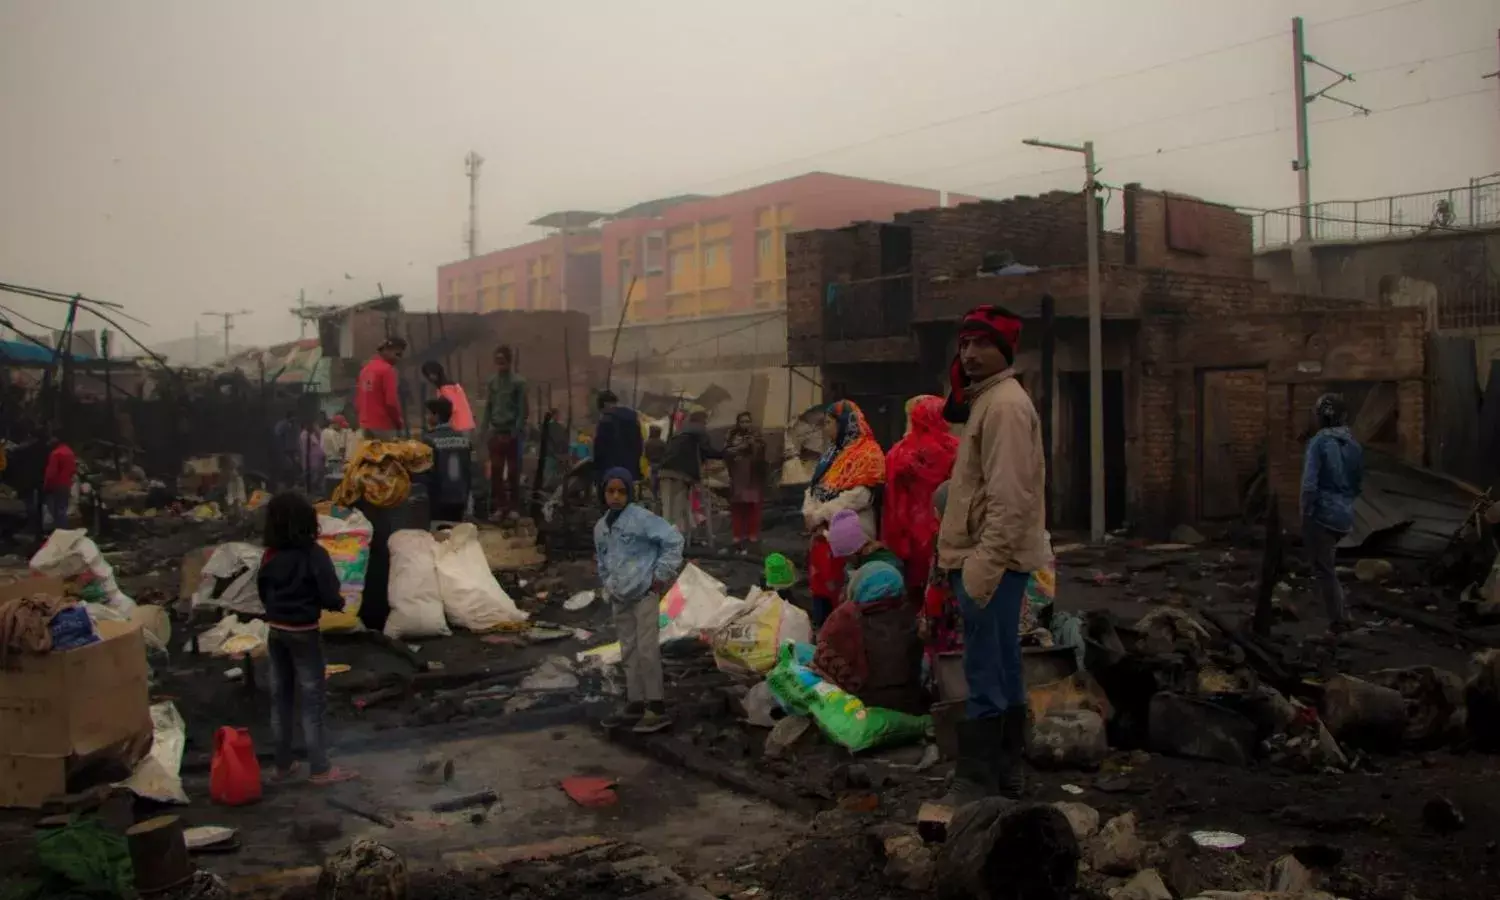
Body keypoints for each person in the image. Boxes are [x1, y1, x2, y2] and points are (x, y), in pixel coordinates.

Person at [937, 304, 1047, 802]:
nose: (970, 353)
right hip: (991, 557)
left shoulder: (1003, 406)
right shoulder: (990, 400)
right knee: (1003, 664)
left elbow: (1010, 498)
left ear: (1005, 350)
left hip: (990, 560)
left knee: (985, 669)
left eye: (982, 343)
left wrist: (982, 566)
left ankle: (977, 777)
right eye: (965, 343)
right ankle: (1006, 771)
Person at [256, 491, 357, 785]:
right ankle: (320, 769)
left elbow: (263, 591)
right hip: (304, 633)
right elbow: (329, 593)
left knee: (281, 699)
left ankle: (283, 765)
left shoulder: (270, 555)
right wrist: (337, 603)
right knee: (313, 702)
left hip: (276, 631)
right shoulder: (314, 555)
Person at [594, 466, 684, 733]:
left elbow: (673, 540)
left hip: (644, 593)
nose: (616, 496)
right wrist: (609, 584)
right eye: (611, 491)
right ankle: (635, 701)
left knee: (647, 650)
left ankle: (656, 706)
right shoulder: (601, 527)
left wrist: (660, 576)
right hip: (620, 596)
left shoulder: (642, 519)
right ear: (603, 493)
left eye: (621, 491)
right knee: (628, 650)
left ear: (629, 493)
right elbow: (602, 560)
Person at [802, 400, 886, 630]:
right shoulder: (831, 455)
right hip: (822, 535)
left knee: (846, 592)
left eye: (829, 423)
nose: (825, 428)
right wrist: (810, 513)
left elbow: (861, 496)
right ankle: (824, 636)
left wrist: (821, 514)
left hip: (849, 535)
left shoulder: (868, 453)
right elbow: (814, 488)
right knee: (821, 591)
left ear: (844, 424)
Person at [811, 560, 923, 714]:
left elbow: (823, 664)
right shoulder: (910, 617)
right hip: (909, 702)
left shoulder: (845, 618)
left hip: (860, 705)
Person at [1301, 392, 1364, 636]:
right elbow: (1357, 484)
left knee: (1324, 569)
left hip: (1322, 514)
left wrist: (1305, 512)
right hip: (1344, 515)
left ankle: (1338, 621)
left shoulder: (1318, 443)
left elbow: (1309, 485)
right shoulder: (1354, 444)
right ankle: (1343, 614)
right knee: (1329, 564)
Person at [884, 395, 959, 595]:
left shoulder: (898, 453)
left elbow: (892, 499)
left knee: (912, 592)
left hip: (908, 533)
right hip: (945, 530)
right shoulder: (956, 450)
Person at [658, 410, 721, 542]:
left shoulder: (680, 431)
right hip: (681, 473)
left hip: (664, 470)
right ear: (703, 420)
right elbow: (707, 450)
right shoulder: (699, 430)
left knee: (667, 508)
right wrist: (725, 453)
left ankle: (667, 538)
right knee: (678, 509)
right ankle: (675, 539)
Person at [481, 346, 528, 519]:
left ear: (509, 361)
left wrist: (516, 431)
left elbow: (523, 410)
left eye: (503, 361)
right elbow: (488, 407)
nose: (500, 364)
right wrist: (484, 429)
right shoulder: (492, 382)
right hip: (496, 431)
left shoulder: (518, 383)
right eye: (498, 361)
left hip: (512, 433)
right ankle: (500, 506)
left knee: (514, 471)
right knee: (496, 471)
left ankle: (514, 507)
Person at [422, 396, 473, 523]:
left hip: (438, 499)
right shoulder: (464, 439)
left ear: (437, 416)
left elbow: (427, 473)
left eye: (429, 414)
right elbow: (469, 471)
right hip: (461, 498)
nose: (427, 417)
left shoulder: (429, 440)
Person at [724, 412, 768, 555]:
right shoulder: (731, 435)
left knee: (752, 507)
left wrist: (752, 444)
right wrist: (739, 447)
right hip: (737, 476)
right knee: (738, 507)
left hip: (752, 476)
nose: (745, 424)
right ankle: (737, 536)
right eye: (742, 421)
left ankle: (752, 535)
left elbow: (762, 453)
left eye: (747, 421)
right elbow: (726, 452)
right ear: (738, 423)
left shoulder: (756, 435)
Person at [592, 391, 643, 501]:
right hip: (630, 471)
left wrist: (596, 470)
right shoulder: (633, 418)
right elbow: (639, 445)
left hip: (609, 470)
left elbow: (599, 448)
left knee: (610, 503)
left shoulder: (606, 420)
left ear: (605, 405)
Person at [827, 508, 904, 578]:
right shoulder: (855, 564)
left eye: (847, 557)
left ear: (857, 550)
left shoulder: (883, 566)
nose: (846, 560)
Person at [355, 337, 406, 438]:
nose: (399, 359)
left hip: (365, 425)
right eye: (397, 354)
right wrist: (398, 422)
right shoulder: (387, 370)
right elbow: (391, 402)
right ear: (386, 351)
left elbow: (358, 400)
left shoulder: (365, 370)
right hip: (383, 426)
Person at [421, 361, 476, 433]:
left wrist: (435, 414)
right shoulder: (451, 387)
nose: (430, 378)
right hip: (465, 426)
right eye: (427, 375)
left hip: (458, 428)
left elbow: (450, 408)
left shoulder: (446, 388)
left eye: (431, 375)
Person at [41, 432, 76, 533]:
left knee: (55, 511)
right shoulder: (70, 452)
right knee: (63, 509)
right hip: (66, 484)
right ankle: (63, 531)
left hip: (56, 485)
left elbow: (51, 473)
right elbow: (73, 470)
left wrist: (46, 486)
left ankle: (59, 531)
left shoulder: (56, 454)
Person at [321, 414, 354, 494]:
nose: (342, 428)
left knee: (330, 485)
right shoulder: (331, 433)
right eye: (340, 425)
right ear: (335, 424)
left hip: (327, 462)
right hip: (334, 462)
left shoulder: (325, 431)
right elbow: (339, 450)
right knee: (336, 486)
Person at [273, 411, 300, 489]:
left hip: (292, 450)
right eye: (293, 418)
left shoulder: (294, 425)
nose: (294, 420)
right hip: (284, 450)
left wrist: (297, 451)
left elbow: (296, 438)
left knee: (292, 467)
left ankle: (290, 484)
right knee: (285, 466)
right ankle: (284, 483)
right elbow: (277, 436)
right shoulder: (281, 425)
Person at [299, 420, 326, 495]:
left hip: (317, 461)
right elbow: (306, 449)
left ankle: (313, 492)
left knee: (317, 477)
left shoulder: (312, 435)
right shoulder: (304, 435)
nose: (316, 427)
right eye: (314, 425)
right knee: (311, 479)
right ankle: (309, 493)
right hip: (310, 461)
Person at [643, 425, 667, 501]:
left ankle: (654, 495)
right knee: (659, 479)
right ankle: (659, 494)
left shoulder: (647, 443)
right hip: (660, 464)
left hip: (651, 463)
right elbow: (666, 453)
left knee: (653, 478)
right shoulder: (662, 443)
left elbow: (645, 454)